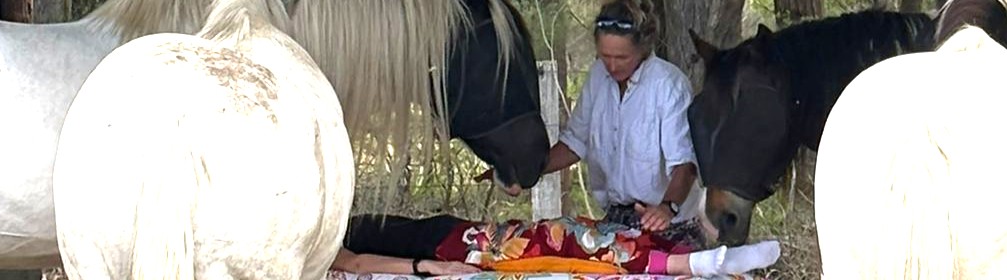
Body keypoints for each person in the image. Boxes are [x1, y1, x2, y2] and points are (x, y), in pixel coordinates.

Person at [474, 0, 707, 249]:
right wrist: (522, 170)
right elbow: (576, 143)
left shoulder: (669, 85)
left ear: (643, 48)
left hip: (672, 227)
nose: (613, 65)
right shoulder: (598, 76)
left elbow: (684, 164)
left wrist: (666, 208)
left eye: (622, 57)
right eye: (605, 56)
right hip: (617, 223)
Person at [331, 214, 780, 276]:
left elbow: (350, 259)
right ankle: (688, 266)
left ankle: (691, 263)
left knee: (557, 237)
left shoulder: (304, 244)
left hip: (448, 250)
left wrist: (425, 267)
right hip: (443, 267)